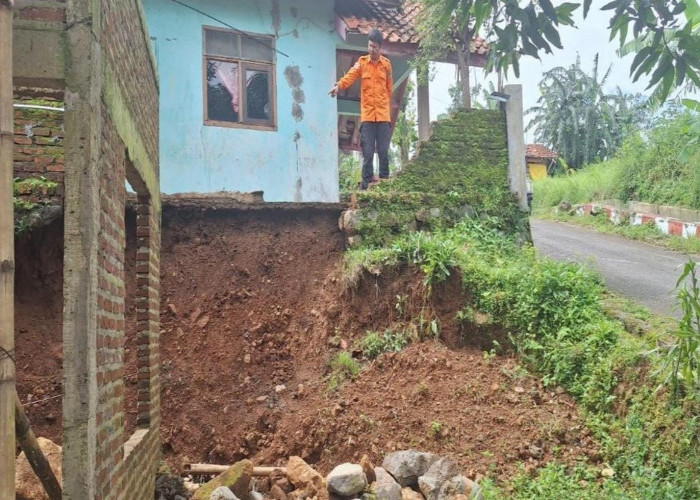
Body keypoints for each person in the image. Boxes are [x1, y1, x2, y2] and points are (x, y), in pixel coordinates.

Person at [330, 28, 393, 190]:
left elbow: (389, 89)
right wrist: (339, 86)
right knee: (368, 152)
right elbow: (350, 76)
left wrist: (384, 105)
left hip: (383, 117)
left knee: (384, 151)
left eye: (375, 47)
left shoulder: (386, 65)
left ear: (380, 48)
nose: (372, 49)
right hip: (368, 117)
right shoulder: (362, 63)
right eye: (370, 46)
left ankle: (385, 183)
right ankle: (366, 186)